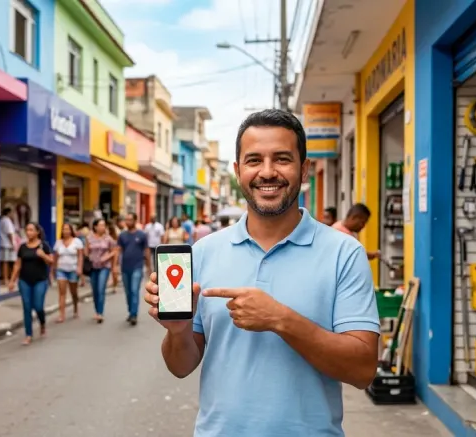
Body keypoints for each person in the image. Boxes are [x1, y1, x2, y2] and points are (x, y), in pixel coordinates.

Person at [143, 109, 379, 436]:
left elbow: (363, 369)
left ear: (304, 168)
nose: (267, 172)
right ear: (238, 171)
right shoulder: (204, 252)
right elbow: (181, 367)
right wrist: (178, 331)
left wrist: (280, 318)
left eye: (282, 159)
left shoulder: (344, 253)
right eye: (254, 160)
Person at [8, 222, 54, 345]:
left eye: (31, 230)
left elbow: (51, 261)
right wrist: (12, 280)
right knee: (27, 307)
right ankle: (28, 334)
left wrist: (43, 255)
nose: (29, 233)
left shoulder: (43, 246)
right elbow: (18, 264)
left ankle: (42, 323)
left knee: (38, 306)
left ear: (37, 232)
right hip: (24, 280)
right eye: (27, 230)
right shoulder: (22, 247)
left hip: (40, 280)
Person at [117, 213, 152, 326]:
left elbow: (146, 250)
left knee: (134, 290)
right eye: (126, 220)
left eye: (130, 220)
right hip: (125, 267)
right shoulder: (122, 235)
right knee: (128, 292)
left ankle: (134, 314)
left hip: (137, 266)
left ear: (135, 221)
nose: (128, 222)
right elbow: (119, 250)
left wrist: (149, 267)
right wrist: (115, 266)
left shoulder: (141, 235)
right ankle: (130, 311)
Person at [86, 218, 118, 323]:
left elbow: (114, 251)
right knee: (95, 290)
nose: (102, 227)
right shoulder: (89, 238)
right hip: (93, 267)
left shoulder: (108, 239)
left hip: (104, 266)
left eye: (104, 225)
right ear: (95, 227)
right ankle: (96, 310)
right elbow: (86, 251)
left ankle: (100, 313)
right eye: (100, 225)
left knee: (100, 289)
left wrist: (107, 257)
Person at [52, 223, 85, 323]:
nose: (65, 231)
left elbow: (80, 256)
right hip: (61, 270)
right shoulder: (58, 243)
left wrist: (79, 268)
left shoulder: (77, 242)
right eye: (64, 229)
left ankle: (75, 307)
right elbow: (55, 257)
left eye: (67, 229)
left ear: (71, 231)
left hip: (73, 270)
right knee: (62, 293)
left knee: (73, 292)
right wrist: (53, 269)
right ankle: (61, 314)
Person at [0, 208, 17, 286]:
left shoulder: (2, 220)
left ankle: (3, 277)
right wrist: (13, 244)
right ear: (9, 213)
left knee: (3, 261)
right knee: (6, 262)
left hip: (2, 243)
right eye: (12, 213)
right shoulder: (7, 221)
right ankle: (6, 279)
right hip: (6, 244)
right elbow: (10, 233)